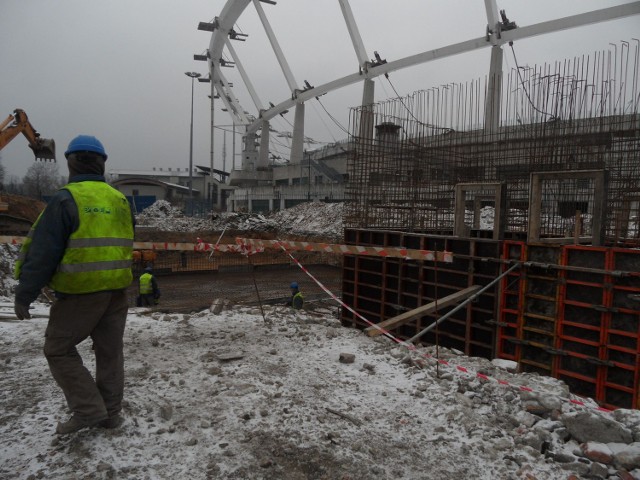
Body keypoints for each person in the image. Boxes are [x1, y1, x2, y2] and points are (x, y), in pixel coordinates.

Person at [14, 134, 135, 435]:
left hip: (80, 293)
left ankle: (88, 410)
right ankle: (110, 413)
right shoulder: (119, 200)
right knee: (110, 353)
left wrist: (25, 294)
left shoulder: (66, 199)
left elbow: (43, 253)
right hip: (117, 292)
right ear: (101, 163)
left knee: (57, 349)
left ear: (71, 161)